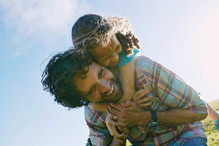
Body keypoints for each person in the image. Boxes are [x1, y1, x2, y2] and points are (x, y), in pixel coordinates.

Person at [41, 48, 208, 145]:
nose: (106, 87)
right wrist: (119, 135)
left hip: (184, 137)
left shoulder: (144, 70)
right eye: (93, 90)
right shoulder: (93, 112)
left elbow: (200, 111)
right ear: (83, 100)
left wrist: (145, 117)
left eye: (101, 73)